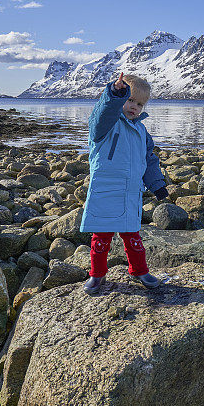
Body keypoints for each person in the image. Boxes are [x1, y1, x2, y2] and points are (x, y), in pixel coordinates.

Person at [79, 71, 169, 294]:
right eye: (130, 100)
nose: (134, 107)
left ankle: (139, 270)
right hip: (106, 190)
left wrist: (157, 184)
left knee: (133, 236)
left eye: (139, 103)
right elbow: (104, 113)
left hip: (130, 191)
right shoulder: (105, 125)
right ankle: (97, 275)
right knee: (101, 236)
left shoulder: (141, 129)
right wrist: (114, 95)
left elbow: (149, 159)